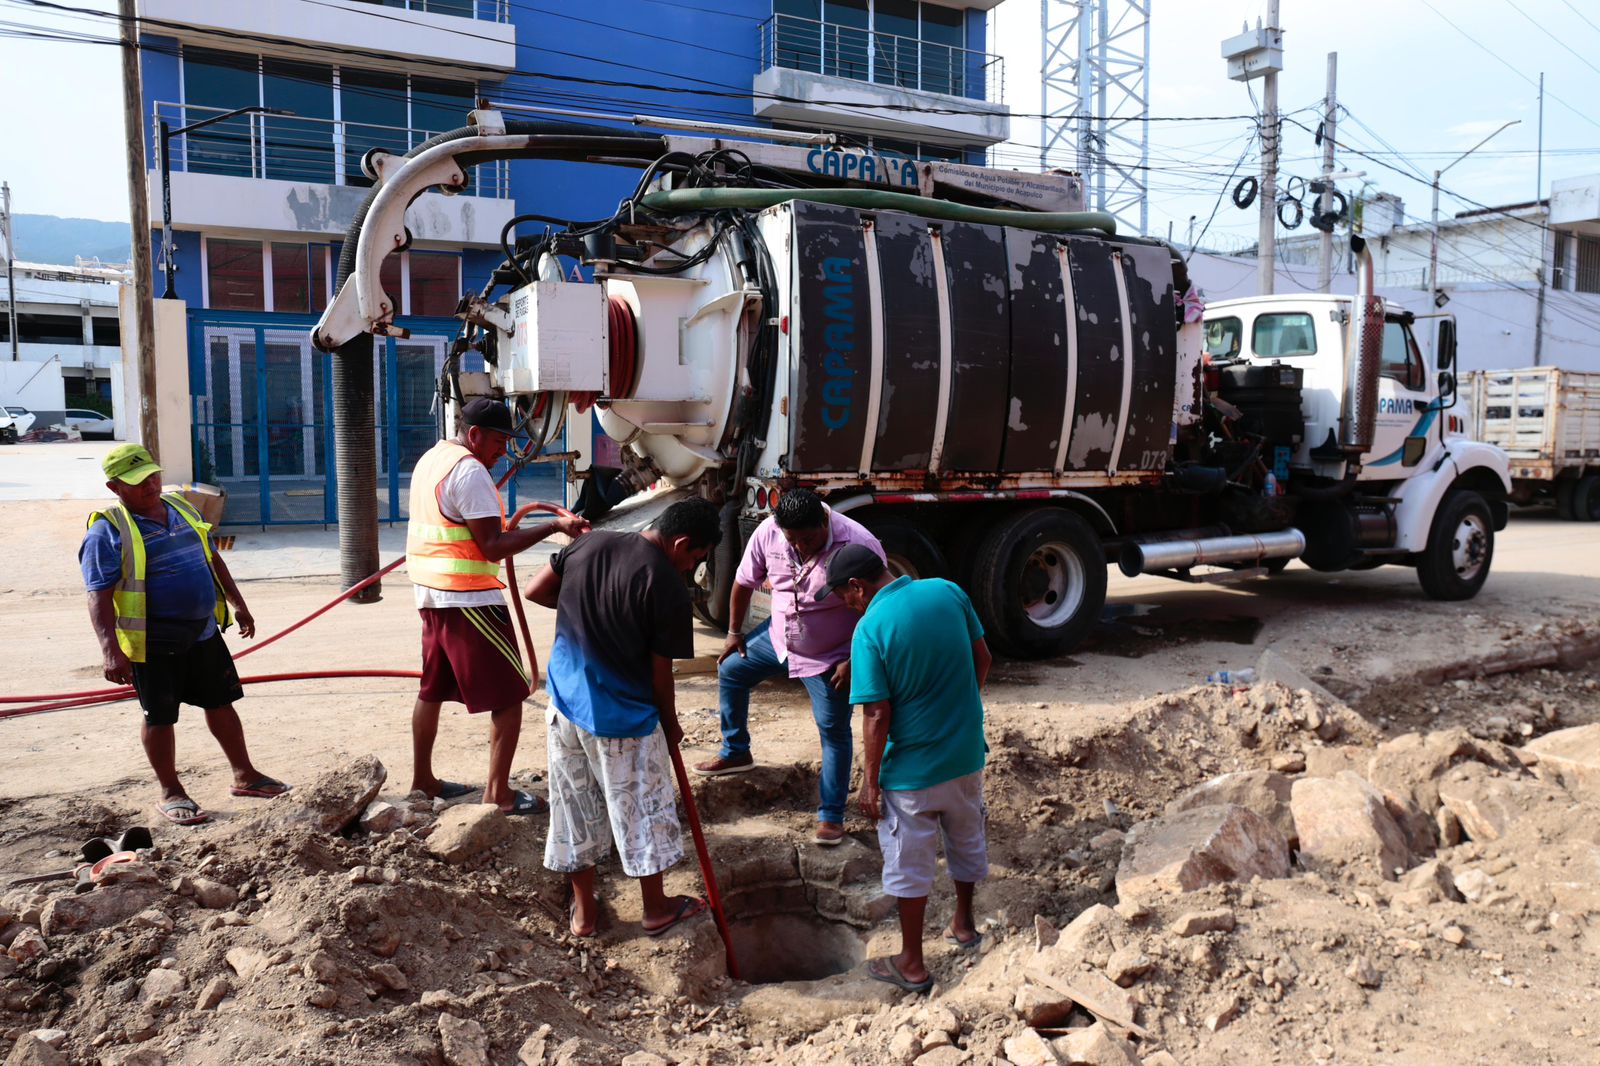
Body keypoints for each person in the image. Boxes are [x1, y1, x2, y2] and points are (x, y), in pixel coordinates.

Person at [524, 497, 721, 939]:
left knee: (574, 809)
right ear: (681, 543)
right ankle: (656, 909)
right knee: (644, 811)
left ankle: (584, 915)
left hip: (564, 707)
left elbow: (535, 590)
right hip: (622, 720)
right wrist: (670, 724)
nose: (692, 567)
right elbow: (660, 673)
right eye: (697, 557)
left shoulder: (588, 544)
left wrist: (585, 610)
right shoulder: (665, 582)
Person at [81, 444, 287, 826]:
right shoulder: (107, 531)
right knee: (159, 718)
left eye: (153, 476)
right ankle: (171, 791)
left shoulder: (183, 508)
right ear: (115, 487)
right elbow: (98, 595)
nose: (150, 485)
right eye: (138, 481)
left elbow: (212, 557)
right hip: (153, 643)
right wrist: (111, 651)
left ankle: (245, 775)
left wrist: (238, 603)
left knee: (221, 703)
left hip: (203, 632)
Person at [822, 543, 992, 994]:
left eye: (842, 596)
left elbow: (876, 713)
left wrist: (869, 783)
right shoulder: (947, 591)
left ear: (857, 586)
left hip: (912, 774)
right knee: (965, 840)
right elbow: (983, 658)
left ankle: (912, 963)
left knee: (909, 863)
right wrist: (960, 713)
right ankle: (964, 925)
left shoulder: (870, 628)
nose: (845, 605)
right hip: (965, 756)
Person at [407, 398, 589, 813]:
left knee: (431, 690)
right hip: (469, 598)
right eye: (497, 442)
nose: (502, 452)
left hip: (432, 596)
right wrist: (554, 526)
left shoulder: (433, 458)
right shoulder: (469, 471)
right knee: (509, 696)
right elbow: (492, 546)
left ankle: (423, 782)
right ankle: (499, 795)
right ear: (474, 435)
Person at [693, 489, 885, 846]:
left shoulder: (858, 543)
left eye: (807, 540)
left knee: (833, 730)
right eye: (792, 540)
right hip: (779, 638)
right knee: (731, 670)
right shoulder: (769, 532)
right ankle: (736, 751)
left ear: (824, 522)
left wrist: (854, 659)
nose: (799, 547)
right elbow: (743, 581)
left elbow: (878, 607)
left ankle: (831, 815)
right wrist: (734, 633)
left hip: (831, 655)